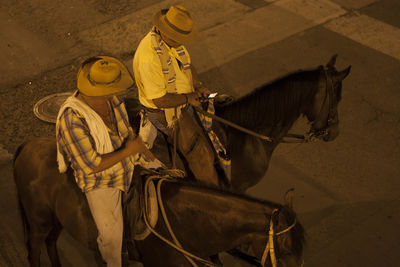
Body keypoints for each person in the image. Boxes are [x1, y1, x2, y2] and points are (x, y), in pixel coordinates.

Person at [56, 56, 155, 266]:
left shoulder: (113, 100)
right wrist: (129, 150)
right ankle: (111, 262)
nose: (114, 94)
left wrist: (138, 146)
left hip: (127, 160)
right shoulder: (71, 120)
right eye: (108, 90)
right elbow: (91, 165)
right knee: (111, 237)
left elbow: (124, 130)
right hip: (101, 181)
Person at [133, 5, 224, 187]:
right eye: (178, 39)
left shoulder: (171, 43)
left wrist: (198, 86)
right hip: (163, 111)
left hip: (184, 99)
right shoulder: (149, 57)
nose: (182, 42)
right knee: (198, 154)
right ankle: (211, 192)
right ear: (165, 32)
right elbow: (160, 100)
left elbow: (188, 66)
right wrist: (188, 98)